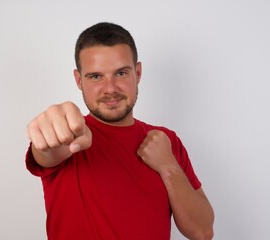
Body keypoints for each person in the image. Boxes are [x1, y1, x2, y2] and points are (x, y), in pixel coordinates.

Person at [25, 22, 214, 240]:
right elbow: (48, 151)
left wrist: (168, 166)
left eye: (121, 73)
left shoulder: (166, 140)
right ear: (79, 80)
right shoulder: (68, 135)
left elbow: (202, 232)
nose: (110, 88)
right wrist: (51, 138)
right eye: (96, 76)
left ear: (138, 72)